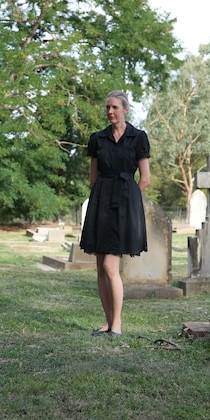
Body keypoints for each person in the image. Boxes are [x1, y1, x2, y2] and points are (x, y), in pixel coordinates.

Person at [79, 90, 150, 337]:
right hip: (101, 202)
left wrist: (129, 201)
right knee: (100, 267)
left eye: (115, 108)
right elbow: (93, 175)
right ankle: (107, 322)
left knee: (110, 265)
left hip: (124, 205)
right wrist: (101, 196)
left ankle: (118, 323)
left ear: (125, 110)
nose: (110, 111)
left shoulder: (138, 138)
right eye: (107, 107)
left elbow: (145, 179)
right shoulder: (97, 139)